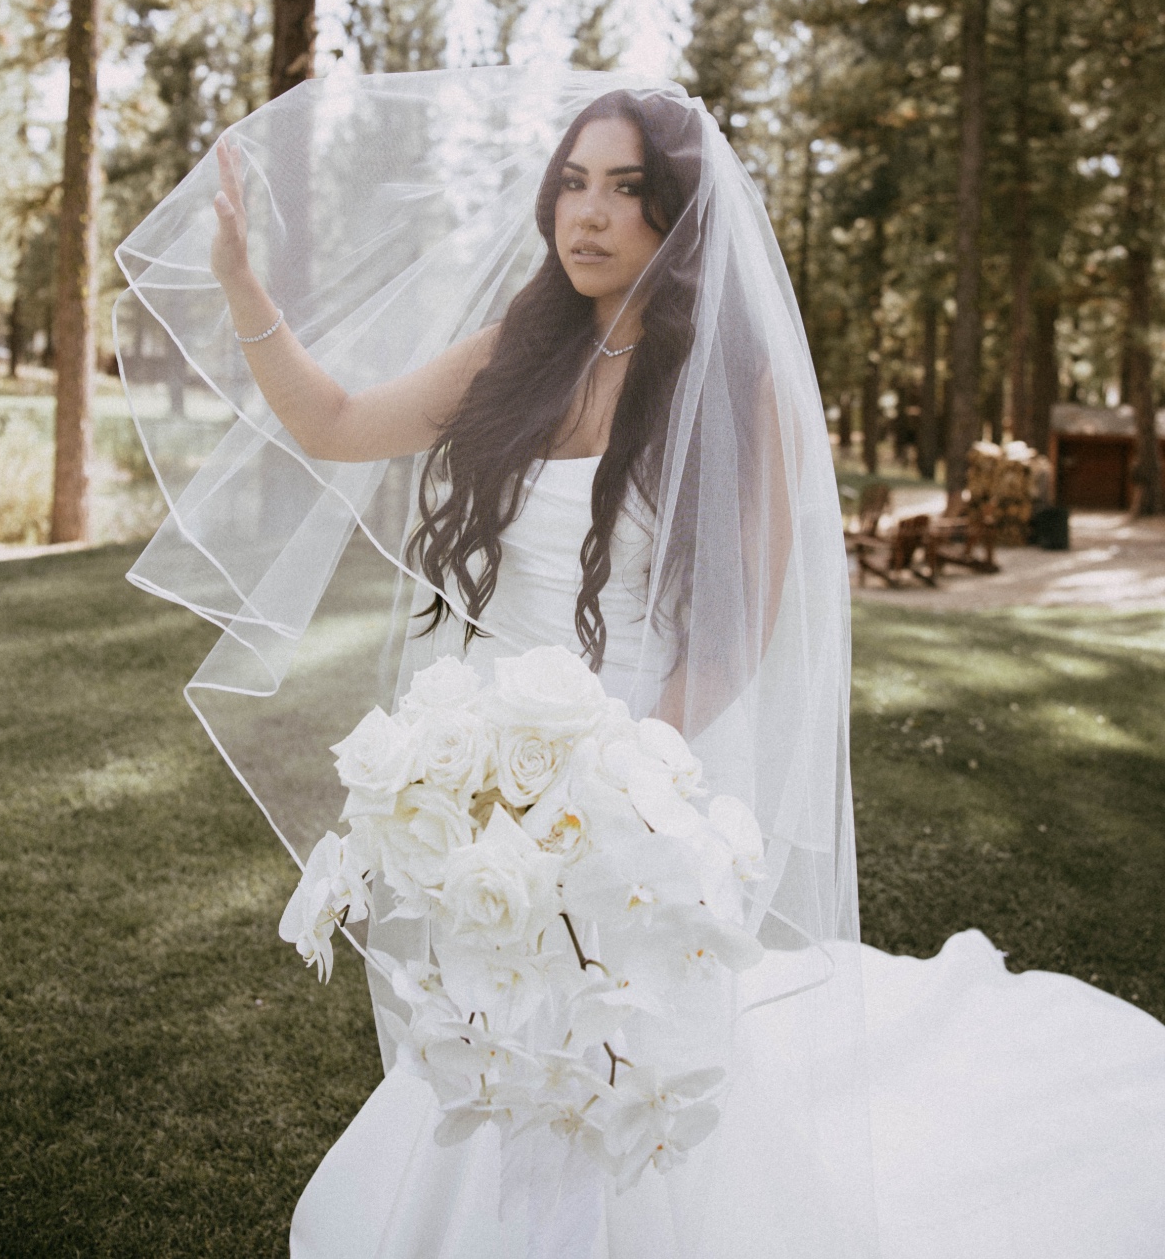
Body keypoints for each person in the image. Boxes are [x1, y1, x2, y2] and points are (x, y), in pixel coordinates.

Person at [118, 67, 1165, 1259]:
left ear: (680, 216)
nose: (590, 213)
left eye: (626, 188)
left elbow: (735, 631)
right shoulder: (521, 348)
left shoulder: (732, 383)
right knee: (490, 1028)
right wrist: (247, 289)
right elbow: (342, 423)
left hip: (639, 782)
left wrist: (616, 799)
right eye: (572, 183)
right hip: (482, 779)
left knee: (614, 1050)